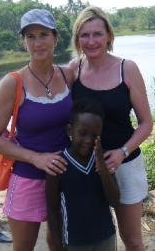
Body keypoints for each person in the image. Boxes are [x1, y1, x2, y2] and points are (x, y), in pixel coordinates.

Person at [0, 8, 74, 251]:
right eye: (30, 36)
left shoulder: (68, 75)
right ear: (23, 42)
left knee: (59, 242)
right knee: (24, 247)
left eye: (44, 34)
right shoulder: (13, 82)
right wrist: (36, 158)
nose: (38, 42)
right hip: (27, 177)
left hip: (66, 174)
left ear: (56, 38)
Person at [69, 6, 153, 251]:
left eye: (97, 34)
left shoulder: (127, 69)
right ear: (77, 39)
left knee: (132, 240)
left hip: (124, 165)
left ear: (109, 36)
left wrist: (122, 152)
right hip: (85, 167)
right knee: (97, 238)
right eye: (85, 35)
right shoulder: (74, 69)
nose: (91, 41)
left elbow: (146, 123)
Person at [46, 98, 120, 251]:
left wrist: (102, 168)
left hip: (106, 236)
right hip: (75, 241)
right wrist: (57, 245)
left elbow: (114, 200)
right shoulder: (58, 164)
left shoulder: (104, 159)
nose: (88, 140)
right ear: (69, 130)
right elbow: (52, 209)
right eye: (83, 133)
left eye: (95, 135)